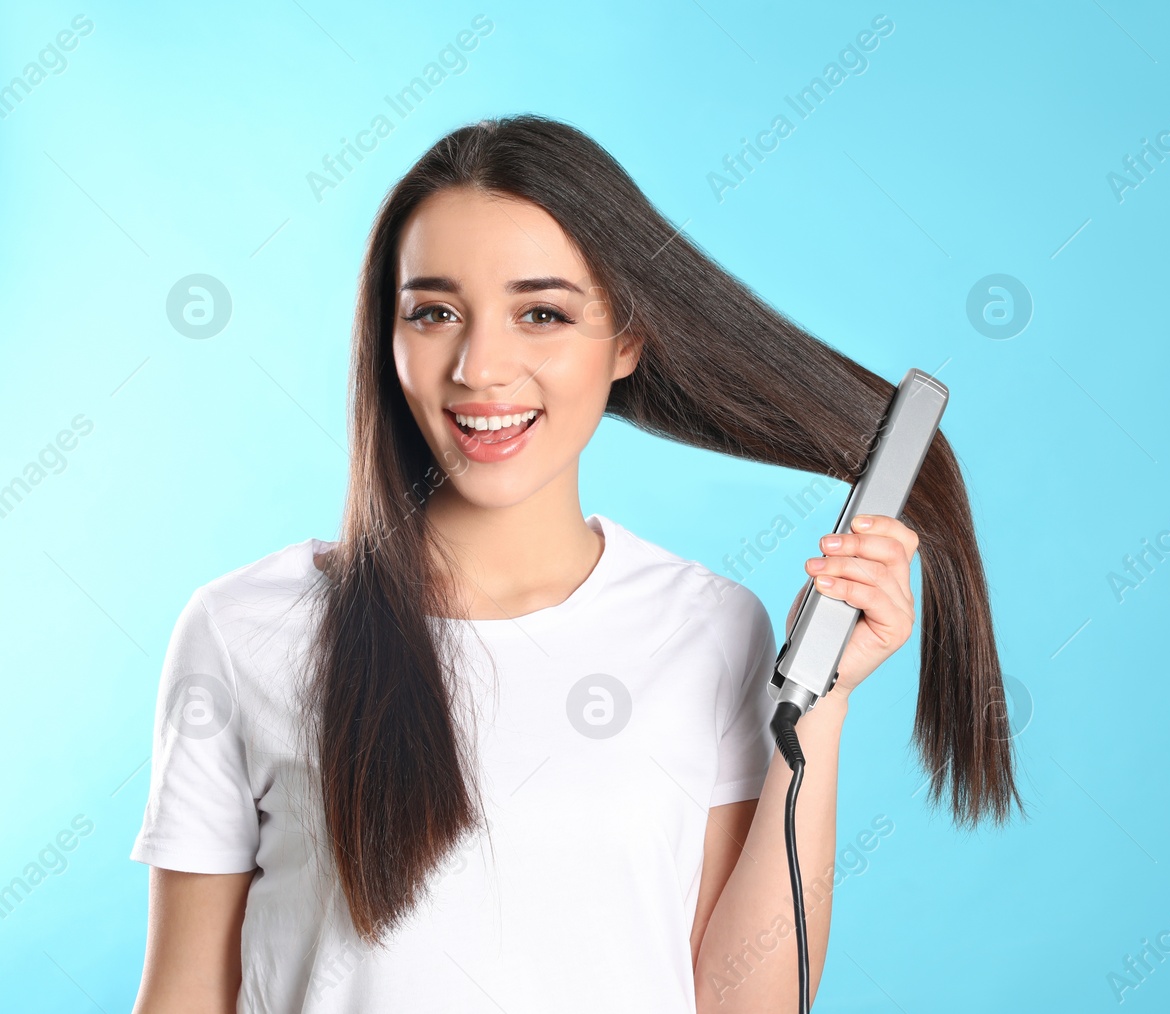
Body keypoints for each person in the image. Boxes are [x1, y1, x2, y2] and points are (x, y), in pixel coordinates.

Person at [128, 114, 1019, 1013]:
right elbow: (184, 994)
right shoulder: (244, 629)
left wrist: (817, 707)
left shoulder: (709, 628)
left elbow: (747, 1005)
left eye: (542, 314)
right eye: (435, 313)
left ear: (627, 339)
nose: (481, 368)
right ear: (386, 336)